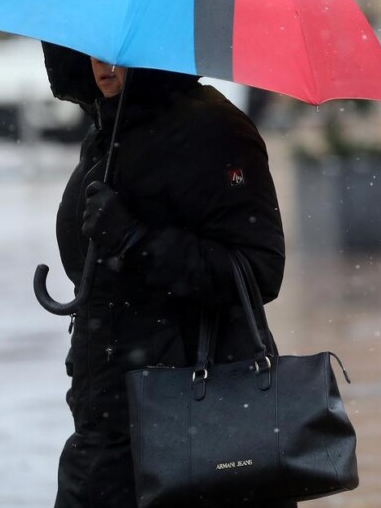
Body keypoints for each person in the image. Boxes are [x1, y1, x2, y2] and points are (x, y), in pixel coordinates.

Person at [41, 43, 293, 508]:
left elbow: (259, 269)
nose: (103, 65)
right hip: (106, 418)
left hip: (193, 419)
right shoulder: (105, 131)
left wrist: (137, 240)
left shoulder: (215, 131)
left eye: (118, 50)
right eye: (92, 49)